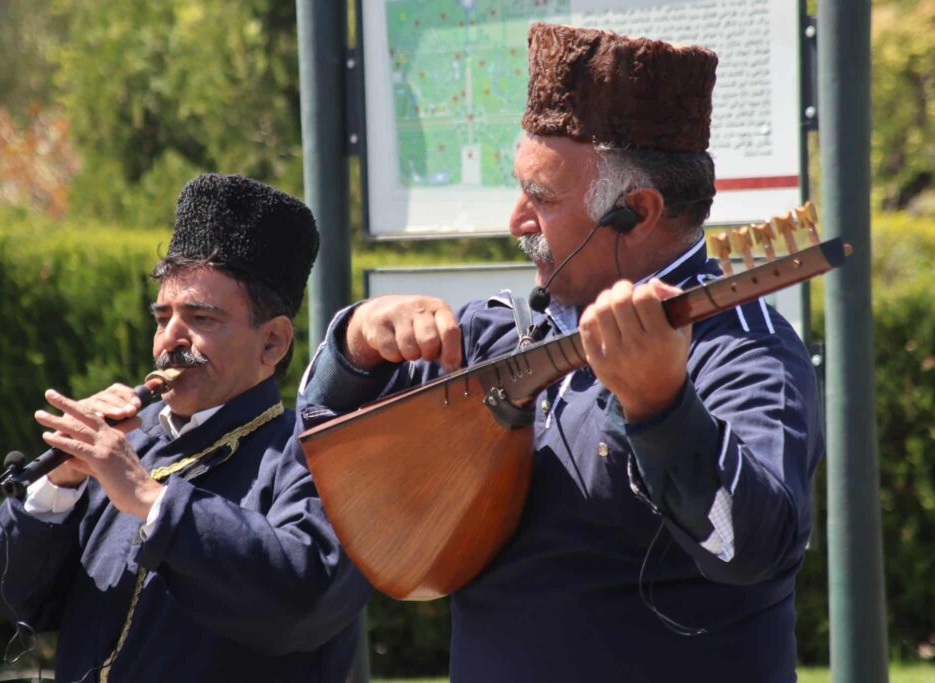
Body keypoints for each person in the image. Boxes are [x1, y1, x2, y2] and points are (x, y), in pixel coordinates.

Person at [298, 23, 823, 682]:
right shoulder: (493, 332)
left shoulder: (746, 349)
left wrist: (660, 407)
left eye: (542, 197)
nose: (516, 220)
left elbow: (749, 550)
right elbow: (323, 456)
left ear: (638, 211)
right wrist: (355, 346)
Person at [0, 173, 371, 682]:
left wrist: (149, 498)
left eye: (201, 319)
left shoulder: (319, 455)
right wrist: (61, 482)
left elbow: (304, 601)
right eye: (162, 318)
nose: (169, 341)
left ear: (273, 342)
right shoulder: (123, 446)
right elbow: (9, 594)